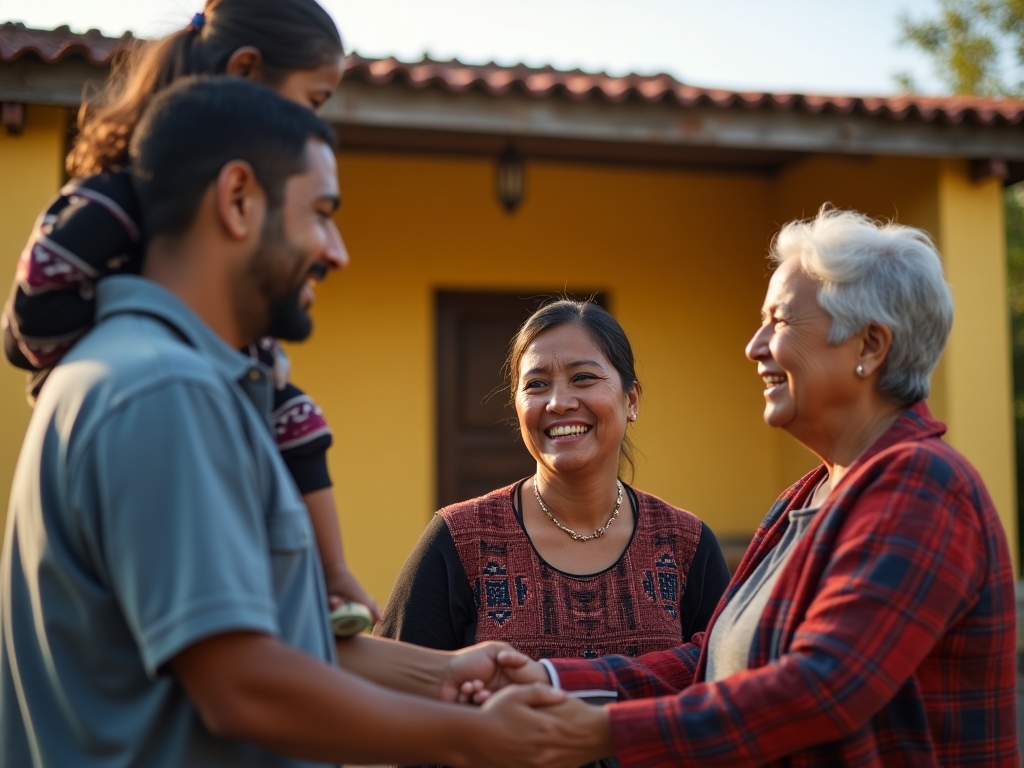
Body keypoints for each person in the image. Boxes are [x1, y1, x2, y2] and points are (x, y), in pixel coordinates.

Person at [0, 76, 588, 768]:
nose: (336, 250)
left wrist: (444, 673)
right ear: (239, 200)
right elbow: (243, 686)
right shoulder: (166, 391)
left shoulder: (143, 374)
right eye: (322, 213)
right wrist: (477, 739)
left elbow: (272, 647)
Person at [457, 207, 1019, 767]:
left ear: (870, 346)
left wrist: (601, 731)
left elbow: (819, 689)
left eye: (780, 321)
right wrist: (555, 679)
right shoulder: (804, 498)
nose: (754, 346)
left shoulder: (923, 485)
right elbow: (712, 662)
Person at [0, 0, 377, 619]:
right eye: (311, 100)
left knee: (296, 415)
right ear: (248, 71)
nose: (333, 256)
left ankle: (328, 577)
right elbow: (30, 321)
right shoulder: (118, 206)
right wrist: (117, 352)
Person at [378, 300, 730, 662]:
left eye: (583, 378)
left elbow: (729, 688)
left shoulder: (686, 544)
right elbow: (396, 685)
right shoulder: (459, 539)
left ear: (632, 400)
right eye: (537, 384)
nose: (559, 403)